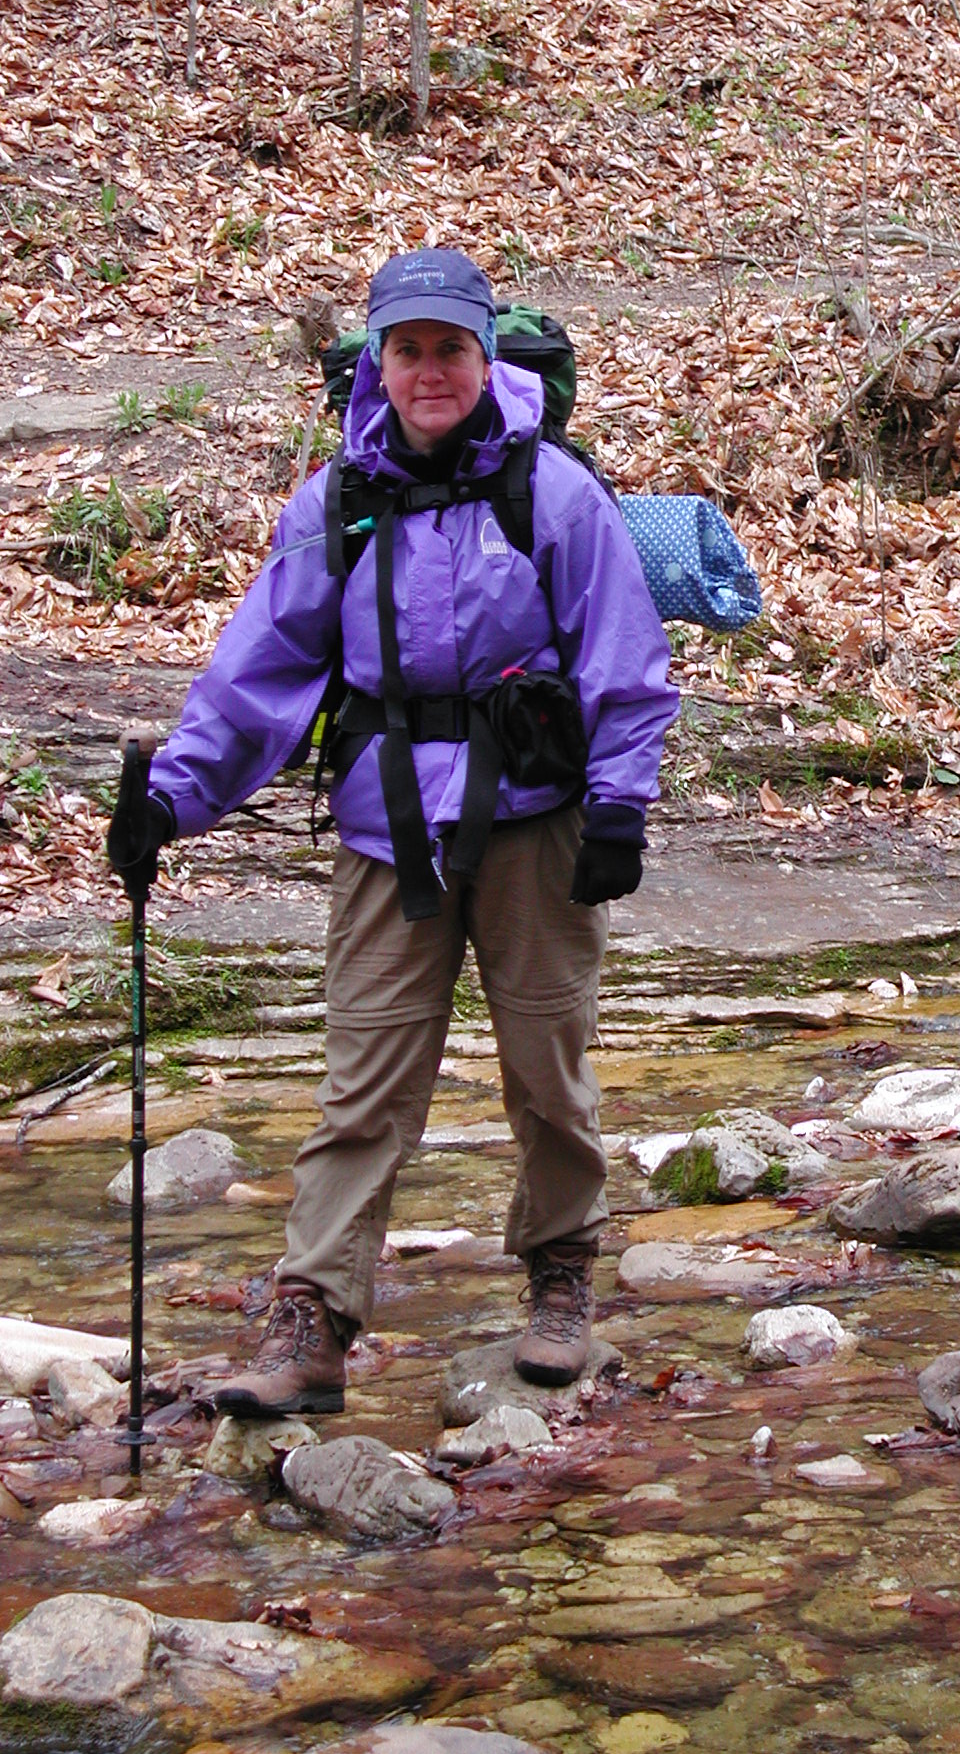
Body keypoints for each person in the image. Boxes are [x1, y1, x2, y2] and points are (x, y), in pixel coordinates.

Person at [108, 249, 677, 1413]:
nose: (428, 371)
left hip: (538, 823)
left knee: (547, 1068)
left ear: (484, 355)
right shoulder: (338, 502)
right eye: (406, 350)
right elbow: (261, 667)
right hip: (387, 830)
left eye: (448, 348)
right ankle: (313, 1318)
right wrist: (171, 796)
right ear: (377, 362)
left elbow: (623, 654)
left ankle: (561, 1277)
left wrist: (619, 805)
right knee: (362, 1082)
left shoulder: (553, 491)